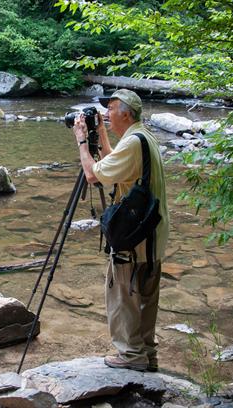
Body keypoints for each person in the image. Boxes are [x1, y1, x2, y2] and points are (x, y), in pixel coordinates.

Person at [72, 89, 169, 372]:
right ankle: (146, 354)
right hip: (152, 234)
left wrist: (81, 141)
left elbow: (93, 175)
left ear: (125, 113)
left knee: (122, 295)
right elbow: (112, 166)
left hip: (134, 236)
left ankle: (130, 355)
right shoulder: (142, 137)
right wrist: (101, 134)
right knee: (145, 297)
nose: (106, 113)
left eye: (110, 109)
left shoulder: (134, 143)